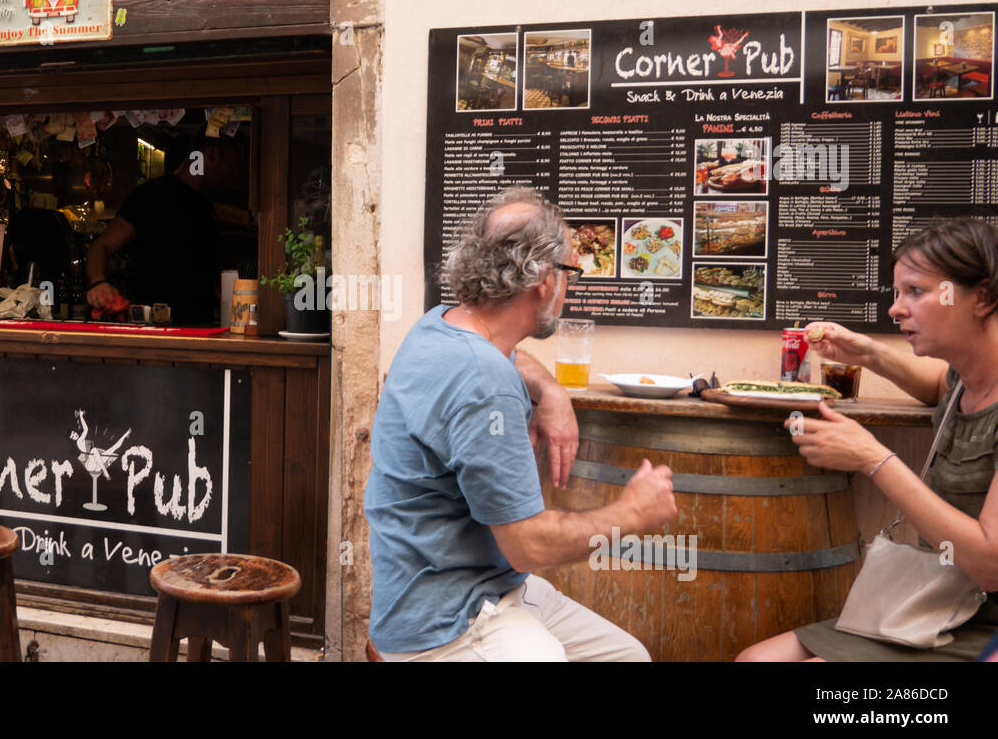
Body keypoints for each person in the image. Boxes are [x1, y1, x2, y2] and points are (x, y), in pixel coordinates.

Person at [364, 187, 678, 662]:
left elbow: (505, 354)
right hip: (445, 617)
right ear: (546, 281)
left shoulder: (439, 325)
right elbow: (528, 546)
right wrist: (633, 513)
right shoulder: (483, 379)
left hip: (488, 587)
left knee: (626, 655)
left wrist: (550, 391)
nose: (569, 288)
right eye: (570, 272)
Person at [738, 217, 998, 661]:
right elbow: (936, 385)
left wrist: (873, 458)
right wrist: (870, 353)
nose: (896, 310)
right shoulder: (965, 378)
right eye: (897, 294)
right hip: (935, 598)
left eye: (916, 291)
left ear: (983, 297)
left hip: (984, 617)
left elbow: (991, 565)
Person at [85, 135, 241, 326]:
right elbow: (100, 247)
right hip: (153, 328)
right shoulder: (153, 195)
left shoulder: (205, 205)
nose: (234, 173)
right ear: (212, 155)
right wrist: (99, 283)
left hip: (199, 326)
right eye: (232, 163)